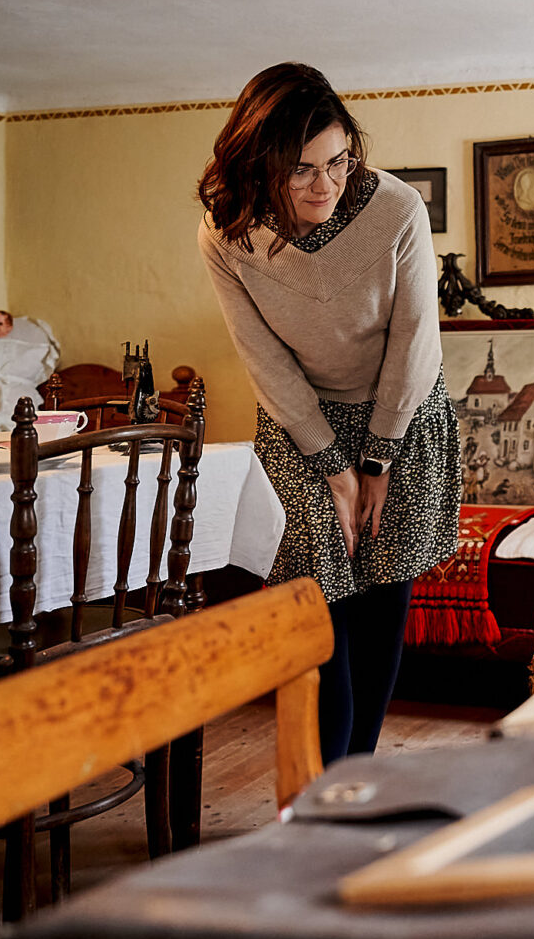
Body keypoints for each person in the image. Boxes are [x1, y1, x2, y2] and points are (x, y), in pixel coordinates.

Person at [196, 63, 460, 764]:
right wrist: (331, 466)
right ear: (259, 165)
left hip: (400, 413)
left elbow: (413, 341)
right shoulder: (226, 235)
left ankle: (353, 786)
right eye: (302, 169)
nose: (326, 184)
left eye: (338, 161)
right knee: (321, 610)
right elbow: (265, 360)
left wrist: (374, 460)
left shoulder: (398, 209)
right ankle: (320, 793)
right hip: (298, 420)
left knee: (379, 609)